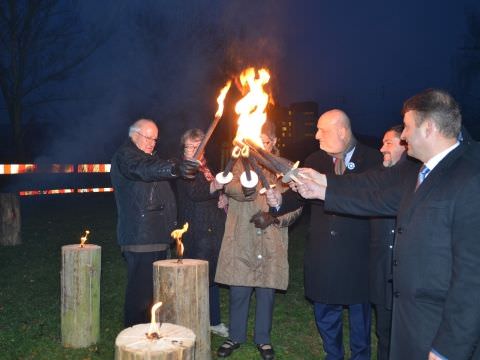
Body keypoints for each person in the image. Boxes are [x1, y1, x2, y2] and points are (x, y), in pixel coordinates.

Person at [293, 89, 480, 360]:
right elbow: (373, 187)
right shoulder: (418, 171)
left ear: (428, 128)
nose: (402, 136)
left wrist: (448, 349)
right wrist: (322, 185)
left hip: (440, 329)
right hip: (410, 323)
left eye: (406, 127)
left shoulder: (470, 176)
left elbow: (472, 279)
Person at [266, 109, 382, 360]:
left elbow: (369, 197)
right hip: (324, 254)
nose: (317, 135)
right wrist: (278, 202)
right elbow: (298, 194)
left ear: (342, 131)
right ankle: (333, 354)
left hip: (357, 254)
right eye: (316, 129)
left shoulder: (372, 160)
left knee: (360, 315)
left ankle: (361, 356)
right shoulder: (315, 159)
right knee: (325, 311)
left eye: (323, 130)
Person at [214, 122, 301, 360]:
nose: (257, 146)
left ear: (272, 142)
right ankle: (236, 336)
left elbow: (296, 205)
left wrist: (275, 217)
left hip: (271, 239)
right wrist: (249, 185)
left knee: (266, 292)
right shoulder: (238, 166)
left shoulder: (285, 168)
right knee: (238, 289)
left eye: (263, 141)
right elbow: (232, 189)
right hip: (242, 236)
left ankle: (263, 339)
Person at [110, 118, 199, 327]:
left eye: (155, 139)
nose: (152, 142)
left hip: (157, 235)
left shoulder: (150, 159)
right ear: (134, 135)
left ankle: (150, 334)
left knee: (153, 293)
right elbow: (144, 169)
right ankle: (134, 337)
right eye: (147, 137)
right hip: (141, 236)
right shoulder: (127, 157)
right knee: (140, 295)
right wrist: (175, 168)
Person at [176, 128, 229, 338]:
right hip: (195, 230)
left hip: (212, 229)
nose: (192, 149)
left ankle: (214, 321)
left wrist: (222, 197)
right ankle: (191, 321)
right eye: (188, 146)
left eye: (197, 145)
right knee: (196, 278)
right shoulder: (184, 168)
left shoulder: (206, 167)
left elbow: (211, 193)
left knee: (211, 277)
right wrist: (215, 187)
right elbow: (195, 193)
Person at [370, 124, 407, 360]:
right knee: (383, 333)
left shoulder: (417, 179)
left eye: (388, 143)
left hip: (407, 279)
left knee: (404, 338)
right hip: (381, 274)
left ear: (404, 145)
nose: (382, 148)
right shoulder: (378, 178)